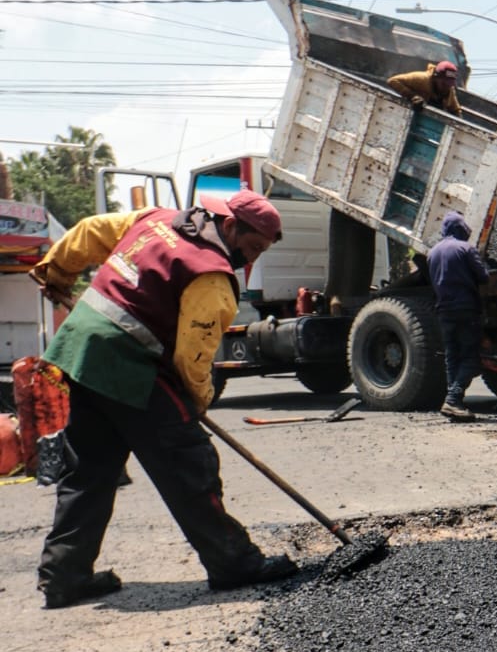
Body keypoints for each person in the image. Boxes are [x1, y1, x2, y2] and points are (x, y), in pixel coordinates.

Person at [31, 190, 299, 609]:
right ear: (230, 225)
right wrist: (196, 405)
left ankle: (65, 576)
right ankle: (234, 563)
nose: (251, 260)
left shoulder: (157, 219)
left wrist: (58, 273)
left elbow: (88, 231)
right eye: (251, 248)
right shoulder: (211, 275)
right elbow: (193, 357)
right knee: (189, 464)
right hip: (128, 364)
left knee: (89, 472)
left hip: (80, 353)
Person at [427, 211, 489, 420]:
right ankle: (453, 399)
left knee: (452, 357)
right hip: (466, 308)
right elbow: (483, 277)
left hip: (444, 310)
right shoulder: (466, 248)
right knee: (472, 357)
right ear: (459, 228)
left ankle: (453, 404)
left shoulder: (432, 252)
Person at [387, 60, 462, 115]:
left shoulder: (449, 89)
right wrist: (413, 96)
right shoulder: (421, 79)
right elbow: (393, 81)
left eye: (449, 84)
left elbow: (455, 110)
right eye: (444, 84)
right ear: (435, 77)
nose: (446, 87)